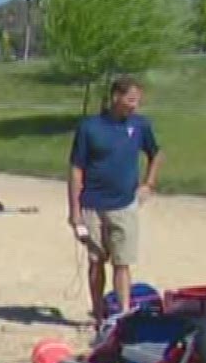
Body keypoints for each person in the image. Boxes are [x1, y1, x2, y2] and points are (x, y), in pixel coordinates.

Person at [69, 75, 162, 327]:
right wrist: (75, 212)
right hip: (92, 204)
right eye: (130, 100)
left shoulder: (140, 126)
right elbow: (76, 170)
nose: (134, 106)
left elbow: (156, 154)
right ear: (116, 97)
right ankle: (98, 314)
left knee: (123, 262)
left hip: (124, 205)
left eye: (138, 101)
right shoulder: (90, 127)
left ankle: (122, 313)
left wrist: (148, 184)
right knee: (96, 260)